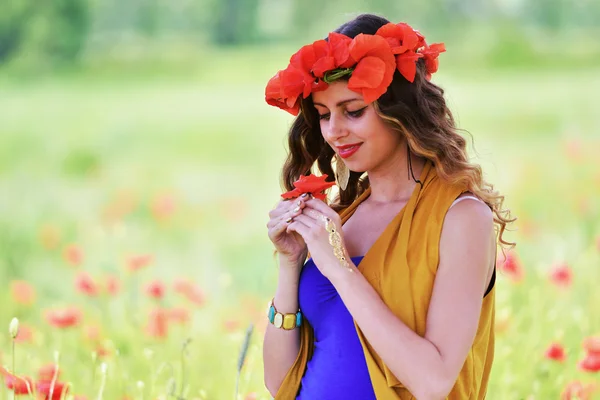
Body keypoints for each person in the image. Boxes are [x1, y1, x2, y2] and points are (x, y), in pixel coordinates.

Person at [263, 13, 515, 400]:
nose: (334, 131)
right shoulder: (342, 217)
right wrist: (289, 264)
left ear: (401, 109)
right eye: (324, 115)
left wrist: (338, 267)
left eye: (354, 110)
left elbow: (433, 383)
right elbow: (279, 382)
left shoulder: (460, 217)